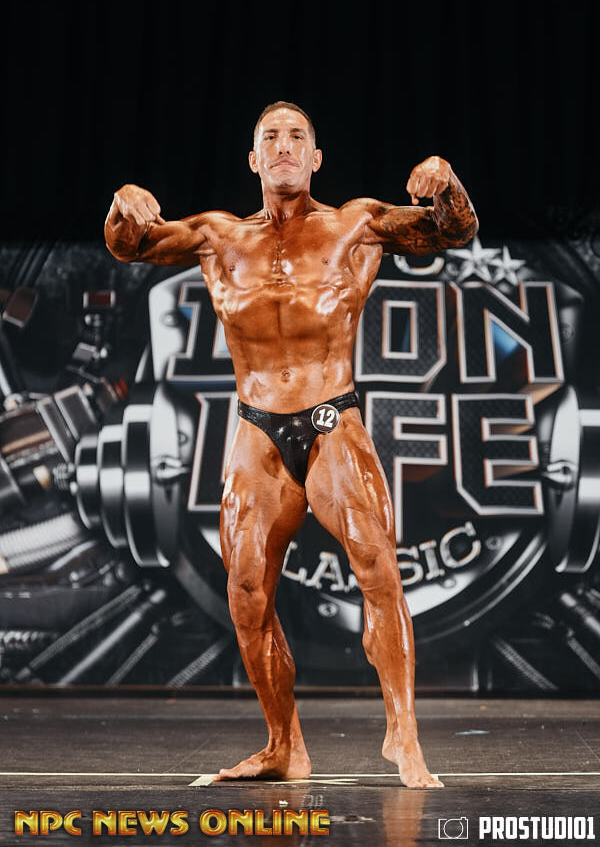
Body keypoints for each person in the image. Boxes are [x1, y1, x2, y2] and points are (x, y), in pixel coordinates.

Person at [105, 101, 478, 787]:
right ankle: (284, 746)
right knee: (246, 594)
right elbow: (129, 245)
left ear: (315, 158)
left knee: (379, 572)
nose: (284, 145)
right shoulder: (217, 236)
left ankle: (404, 735)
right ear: (254, 160)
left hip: (334, 419)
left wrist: (448, 185)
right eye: (270, 137)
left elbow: (454, 230)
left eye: (297, 137)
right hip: (257, 429)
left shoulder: (357, 225)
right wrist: (122, 204)